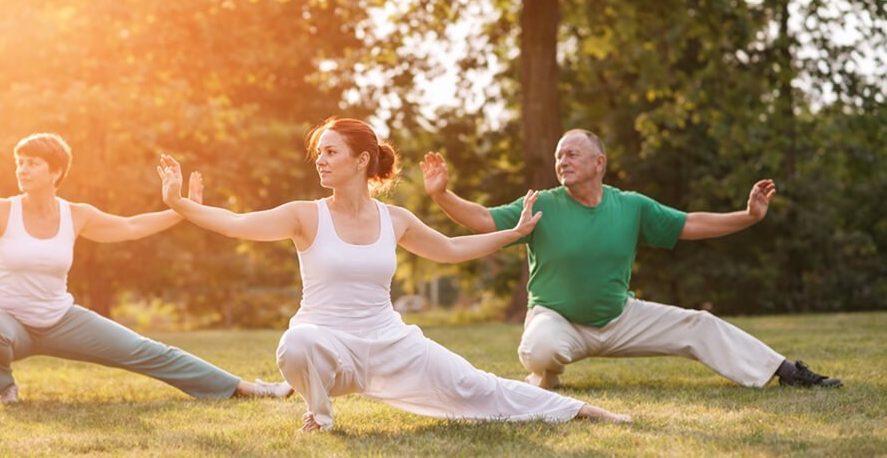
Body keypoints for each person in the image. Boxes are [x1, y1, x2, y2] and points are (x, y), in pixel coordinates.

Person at [156, 117, 631, 432]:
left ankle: (582, 410)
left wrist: (514, 234)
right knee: (294, 345)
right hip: (327, 347)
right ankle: (319, 415)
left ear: (361, 161)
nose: (319, 160)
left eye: (331, 152)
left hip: (389, 344)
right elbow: (237, 223)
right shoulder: (304, 214)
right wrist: (179, 204)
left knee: (478, 388)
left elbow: (448, 249)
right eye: (318, 153)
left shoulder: (395, 219)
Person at [0, 133, 292, 404]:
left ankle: (243, 387)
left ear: (56, 172)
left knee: (146, 351)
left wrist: (183, 209)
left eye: (32, 162)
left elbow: (129, 227)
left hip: (59, 319)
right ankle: (4, 388)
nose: (22, 169)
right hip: (6, 319)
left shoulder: (77, 215)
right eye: (19, 162)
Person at [420, 128, 843, 390]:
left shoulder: (632, 207)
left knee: (700, 323)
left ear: (599, 162)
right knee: (539, 348)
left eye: (571, 154)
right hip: (557, 319)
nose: (561, 161)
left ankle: (785, 371)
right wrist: (441, 194)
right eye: (558, 156)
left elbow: (690, 224)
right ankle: (545, 377)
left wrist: (749, 216)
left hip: (620, 318)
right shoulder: (542, 204)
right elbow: (480, 219)